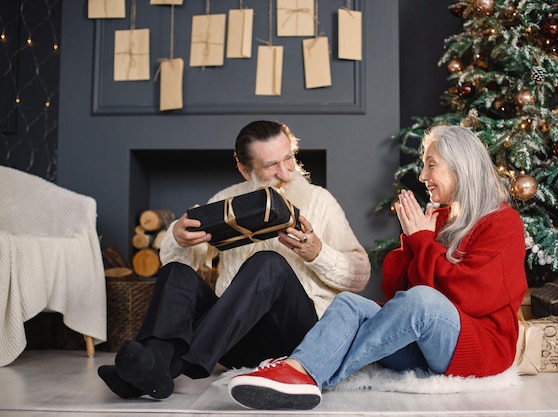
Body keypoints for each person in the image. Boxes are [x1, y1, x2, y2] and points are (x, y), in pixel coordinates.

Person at [227, 125, 528, 410]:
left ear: (460, 167)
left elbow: (468, 297)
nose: (422, 175)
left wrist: (422, 241)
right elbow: (397, 293)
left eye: (431, 164)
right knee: (349, 304)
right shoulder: (437, 219)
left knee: (421, 301)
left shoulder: (503, 222)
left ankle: (317, 376)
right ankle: (297, 369)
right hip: (424, 349)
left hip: (479, 350)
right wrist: (412, 241)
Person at [97, 120, 371, 399]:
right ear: (244, 169)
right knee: (176, 272)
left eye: (288, 158)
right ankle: (153, 365)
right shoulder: (226, 199)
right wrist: (178, 237)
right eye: (271, 165)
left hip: (298, 338)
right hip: (236, 339)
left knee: (269, 262)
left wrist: (317, 253)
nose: (285, 172)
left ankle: (178, 363)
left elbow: (360, 275)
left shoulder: (320, 200)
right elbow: (184, 261)